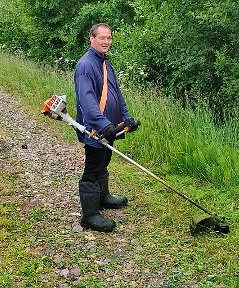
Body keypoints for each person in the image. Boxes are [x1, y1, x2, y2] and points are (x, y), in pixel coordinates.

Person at [74, 23, 140, 233]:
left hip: (110, 125)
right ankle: (90, 215)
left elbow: (116, 93)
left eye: (109, 38)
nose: (106, 41)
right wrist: (102, 124)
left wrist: (126, 117)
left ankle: (102, 197)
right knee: (93, 168)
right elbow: (87, 101)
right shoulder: (85, 65)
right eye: (102, 38)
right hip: (95, 128)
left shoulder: (104, 63)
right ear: (91, 39)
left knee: (104, 161)